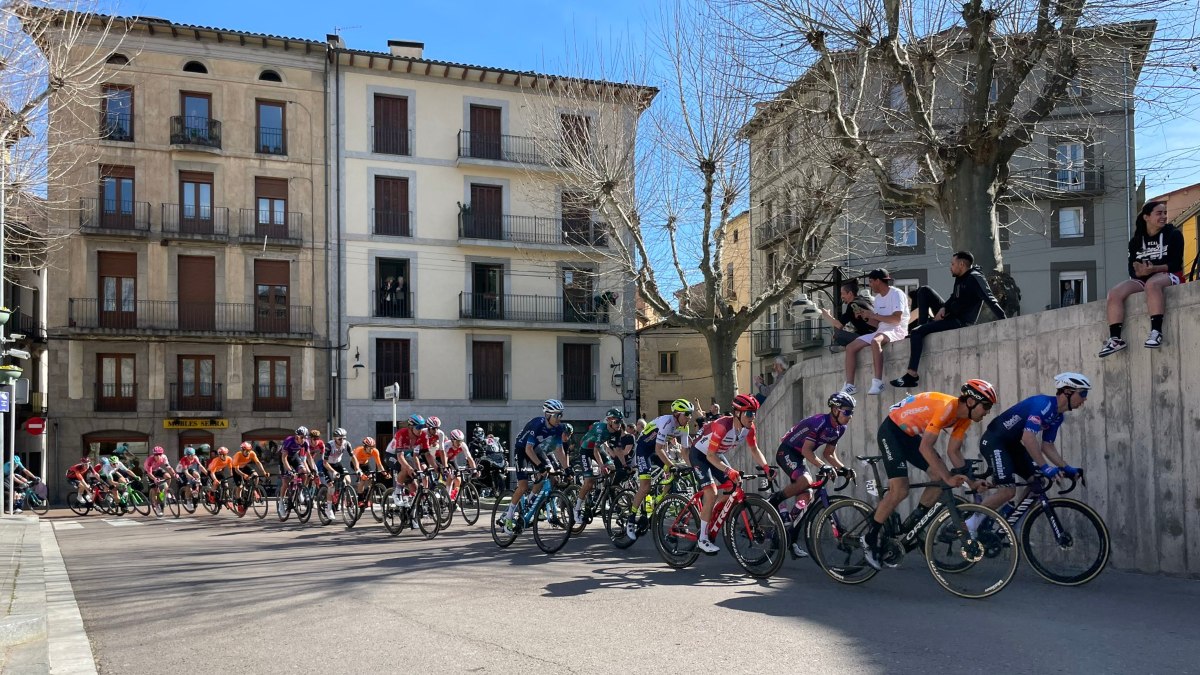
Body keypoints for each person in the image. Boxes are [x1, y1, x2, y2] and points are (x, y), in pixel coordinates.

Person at [859, 380, 997, 570]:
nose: (988, 412)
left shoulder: (964, 419)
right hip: (892, 431)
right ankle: (870, 537)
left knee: (939, 478)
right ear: (972, 402)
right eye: (986, 406)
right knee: (900, 489)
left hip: (908, 436)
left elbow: (954, 452)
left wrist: (972, 482)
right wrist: (949, 477)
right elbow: (925, 447)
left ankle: (915, 523)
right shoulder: (948, 408)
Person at [976, 373, 1089, 526]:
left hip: (1012, 445)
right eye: (1083, 393)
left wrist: (1067, 468)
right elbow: (1028, 438)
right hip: (995, 442)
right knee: (1008, 491)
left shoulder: (1058, 416)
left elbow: (1047, 446)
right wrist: (1046, 467)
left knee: (1037, 482)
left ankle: (1010, 521)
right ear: (1067, 392)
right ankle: (969, 526)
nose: (1085, 399)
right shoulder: (1044, 405)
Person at [890, 251, 1006, 389]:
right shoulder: (960, 277)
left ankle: (911, 375)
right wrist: (944, 308)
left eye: (952, 264)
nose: (950, 267)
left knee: (916, 332)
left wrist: (1004, 321)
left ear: (961, 264)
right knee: (924, 290)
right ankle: (923, 326)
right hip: (950, 314)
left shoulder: (975, 278)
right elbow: (953, 297)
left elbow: (990, 299)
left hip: (960, 322)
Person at [767, 392, 856, 558]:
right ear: (835, 410)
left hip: (800, 456)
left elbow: (829, 453)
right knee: (806, 481)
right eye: (847, 412)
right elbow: (806, 450)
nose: (850, 416)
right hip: (787, 451)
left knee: (806, 498)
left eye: (852, 412)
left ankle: (788, 536)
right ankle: (774, 500)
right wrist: (824, 467)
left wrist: (844, 469)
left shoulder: (840, 428)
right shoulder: (819, 422)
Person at [688, 394, 773, 554]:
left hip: (716, 453)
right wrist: (729, 470)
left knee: (734, 486)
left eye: (754, 413)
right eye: (749, 413)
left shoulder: (749, 428)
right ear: (737, 413)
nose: (752, 417)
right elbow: (710, 456)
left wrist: (767, 467)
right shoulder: (723, 426)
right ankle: (703, 539)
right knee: (711, 492)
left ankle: (709, 513)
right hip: (700, 454)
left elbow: (754, 450)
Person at [1099, 200, 1185, 356]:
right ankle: (1115, 339)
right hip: (1144, 278)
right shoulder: (1135, 241)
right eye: (1159, 213)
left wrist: (1155, 269)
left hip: (1170, 275)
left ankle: (1156, 332)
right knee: (1114, 293)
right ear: (1146, 217)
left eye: (1165, 213)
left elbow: (1176, 264)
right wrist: (1139, 272)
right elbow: (1132, 269)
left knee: (1151, 285)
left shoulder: (1173, 234)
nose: (1164, 217)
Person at [626, 399, 694, 542]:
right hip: (644, 449)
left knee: (672, 476)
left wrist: (693, 467)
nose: (689, 418)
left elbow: (685, 452)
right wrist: (671, 465)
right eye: (686, 414)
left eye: (691, 414)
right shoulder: (667, 422)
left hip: (658, 450)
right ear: (676, 414)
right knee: (645, 486)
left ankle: (657, 502)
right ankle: (631, 519)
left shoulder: (684, 427)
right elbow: (658, 448)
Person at [843, 269, 910, 396]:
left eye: (871, 281)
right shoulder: (878, 298)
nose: (870, 285)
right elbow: (877, 323)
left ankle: (878, 382)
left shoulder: (896, 293)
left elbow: (896, 319)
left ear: (878, 281)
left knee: (875, 341)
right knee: (850, 347)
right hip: (882, 330)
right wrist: (866, 317)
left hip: (897, 329)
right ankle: (850, 385)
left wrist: (875, 315)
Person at [503, 399, 567, 531]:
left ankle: (530, 500)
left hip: (537, 449)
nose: (559, 418)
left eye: (561, 415)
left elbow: (559, 450)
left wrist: (567, 468)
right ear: (548, 415)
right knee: (523, 485)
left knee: (549, 474)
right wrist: (539, 466)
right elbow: (528, 450)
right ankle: (508, 518)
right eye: (557, 415)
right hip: (523, 449)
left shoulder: (558, 428)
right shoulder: (537, 424)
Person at [572, 408, 624, 524]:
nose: (619, 425)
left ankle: (607, 494)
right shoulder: (601, 429)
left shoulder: (617, 431)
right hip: (586, 450)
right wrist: (601, 466)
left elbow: (618, 450)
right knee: (589, 481)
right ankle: (577, 508)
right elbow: (595, 451)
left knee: (613, 468)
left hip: (598, 449)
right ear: (609, 421)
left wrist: (625, 465)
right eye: (616, 422)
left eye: (620, 422)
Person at [820, 280, 875, 349]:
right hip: (871, 335)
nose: (841, 296)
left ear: (850, 293)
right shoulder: (862, 300)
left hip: (866, 337)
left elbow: (839, 325)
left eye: (843, 293)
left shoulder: (853, 305)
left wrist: (827, 315)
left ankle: (841, 349)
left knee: (838, 334)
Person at [444, 429, 477, 502]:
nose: (459, 443)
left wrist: (474, 470)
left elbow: (469, 458)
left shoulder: (463, 445)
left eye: (461, 441)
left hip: (452, 459)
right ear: (452, 440)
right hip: (442, 459)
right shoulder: (447, 445)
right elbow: (445, 458)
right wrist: (446, 468)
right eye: (458, 441)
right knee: (451, 474)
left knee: (458, 480)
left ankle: (453, 497)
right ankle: (447, 496)